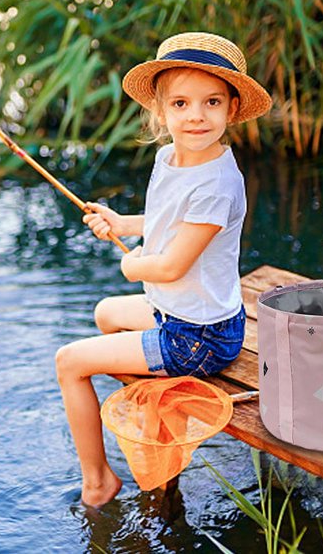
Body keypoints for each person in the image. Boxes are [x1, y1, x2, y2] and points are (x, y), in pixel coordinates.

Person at [55, 32, 272, 507]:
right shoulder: (169, 157)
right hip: (184, 315)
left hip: (199, 337)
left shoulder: (218, 184)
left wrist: (134, 265)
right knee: (106, 313)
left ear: (232, 109)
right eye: (181, 103)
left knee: (69, 363)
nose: (196, 115)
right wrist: (122, 222)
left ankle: (98, 481)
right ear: (161, 110)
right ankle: (148, 417)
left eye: (211, 102)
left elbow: (171, 265)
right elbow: (167, 223)